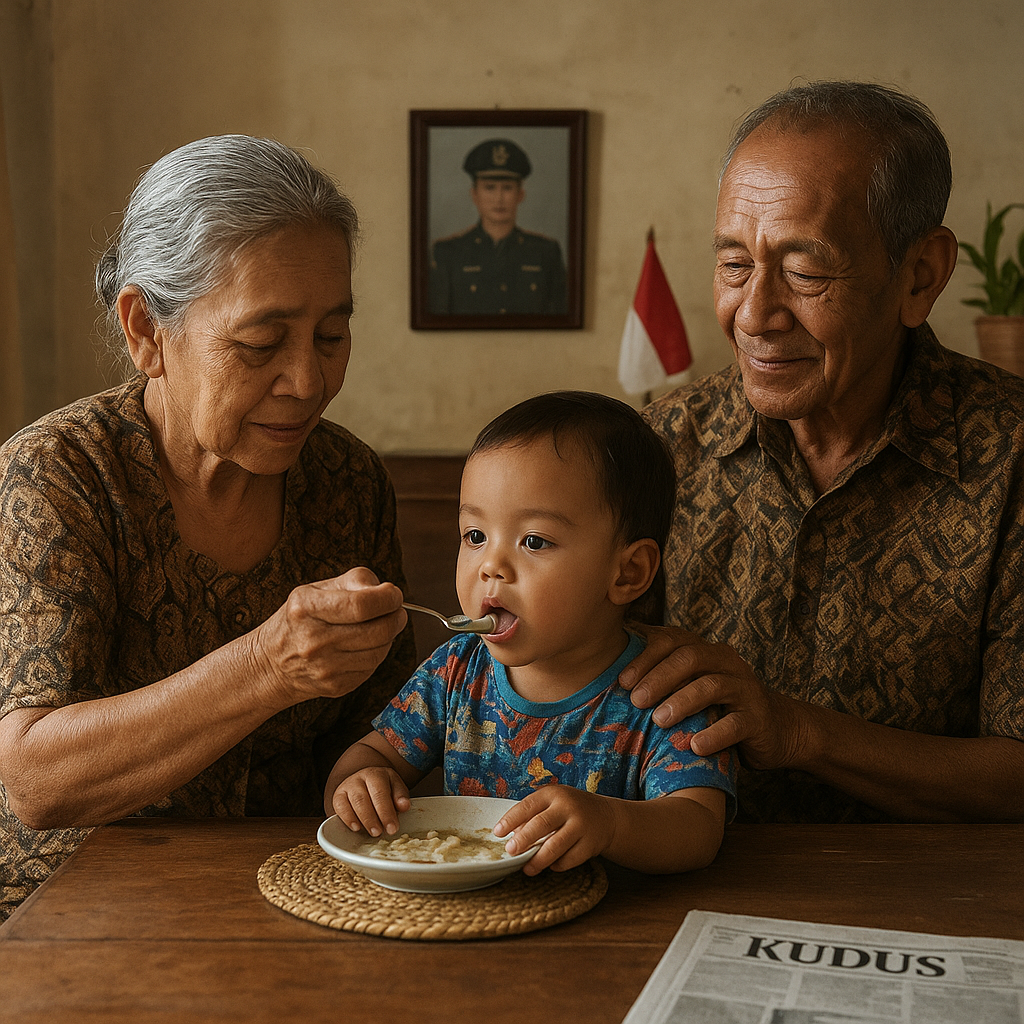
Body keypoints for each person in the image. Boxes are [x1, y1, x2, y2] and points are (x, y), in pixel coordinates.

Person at [0, 135, 416, 920]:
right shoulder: (58, 478)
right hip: (69, 916)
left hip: (298, 897)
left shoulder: (349, 482)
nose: (308, 381)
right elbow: (36, 780)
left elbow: (386, 732)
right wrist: (266, 665)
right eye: (260, 344)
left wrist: (374, 773)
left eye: (332, 336)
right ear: (146, 333)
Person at [624, 81, 1024, 824]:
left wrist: (798, 731)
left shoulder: (1012, 457)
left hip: (942, 902)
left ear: (920, 275)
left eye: (806, 273)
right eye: (734, 264)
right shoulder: (661, 444)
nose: (753, 315)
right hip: (689, 877)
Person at [326, 392, 737, 875]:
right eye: (474, 536)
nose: (491, 566)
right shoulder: (455, 669)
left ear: (628, 573)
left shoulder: (667, 691)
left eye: (534, 541)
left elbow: (698, 826)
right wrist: (360, 783)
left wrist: (610, 823)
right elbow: (371, 755)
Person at [428, 138, 568, 316]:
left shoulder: (545, 252)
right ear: (474, 194)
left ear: (521, 195)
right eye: (490, 188)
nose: (499, 198)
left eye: (508, 188)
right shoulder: (448, 253)